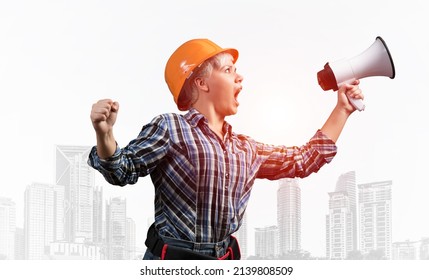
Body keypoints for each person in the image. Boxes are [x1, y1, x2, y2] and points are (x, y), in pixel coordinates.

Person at [88, 39, 363, 260]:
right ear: (201, 82)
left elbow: (303, 160)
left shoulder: (245, 149)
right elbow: (122, 170)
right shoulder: (170, 128)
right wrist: (105, 134)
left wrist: (342, 109)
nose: (240, 77)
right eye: (229, 70)